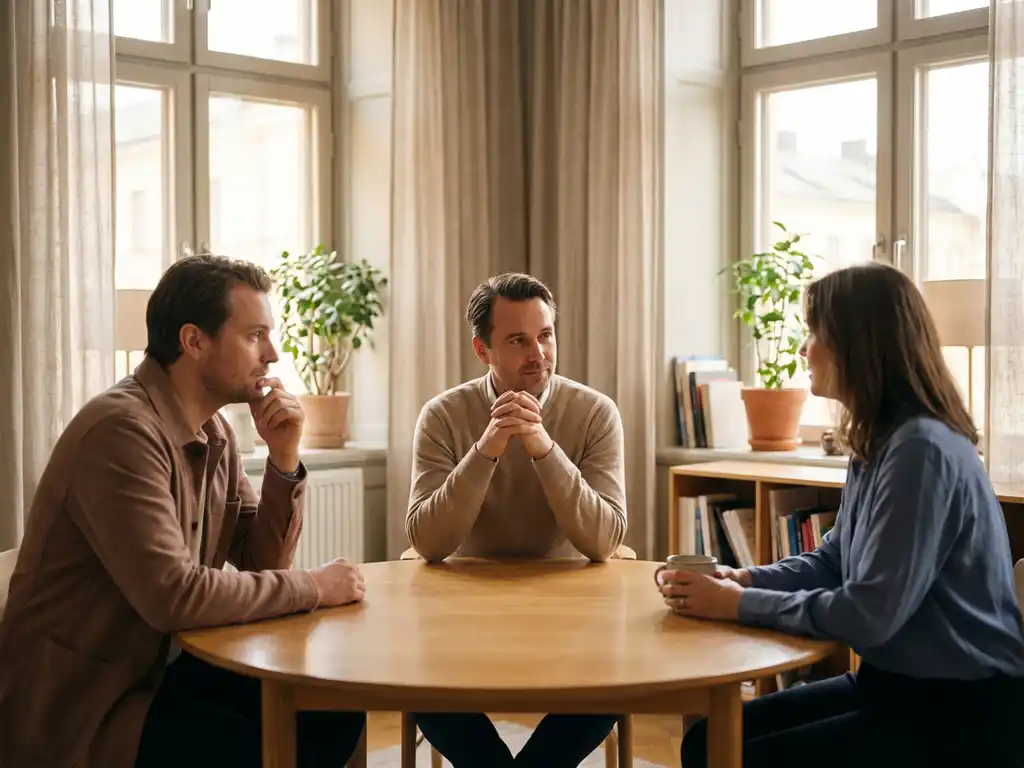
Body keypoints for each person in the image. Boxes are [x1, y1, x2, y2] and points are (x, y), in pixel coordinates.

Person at [0, 255, 367, 768]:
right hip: (90, 703)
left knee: (334, 705)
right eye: (255, 335)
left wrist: (284, 458)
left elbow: (263, 564)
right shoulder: (120, 432)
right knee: (256, 744)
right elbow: (175, 595)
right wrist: (315, 586)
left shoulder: (215, 432)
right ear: (194, 341)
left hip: (160, 673)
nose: (274, 354)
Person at [659, 262, 1024, 768]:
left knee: (737, 755)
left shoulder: (921, 450)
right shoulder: (877, 442)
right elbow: (832, 562)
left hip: (959, 710)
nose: (804, 349)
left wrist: (737, 605)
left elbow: (869, 614)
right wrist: (743, 578)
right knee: (709, 741)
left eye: (815, 333)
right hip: (895, 685)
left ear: (859, 345)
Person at [407, 272, 625, 766]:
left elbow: (604, 540)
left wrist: (543, 447)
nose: (539, 353)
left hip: (574, 604)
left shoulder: (595, 413)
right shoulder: (443, 415)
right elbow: (428, 541)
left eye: (545, 335)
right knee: (412, 673)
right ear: (482, 350)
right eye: (518, 340)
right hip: (464, 605)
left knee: (615, 677)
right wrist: (486, 448)